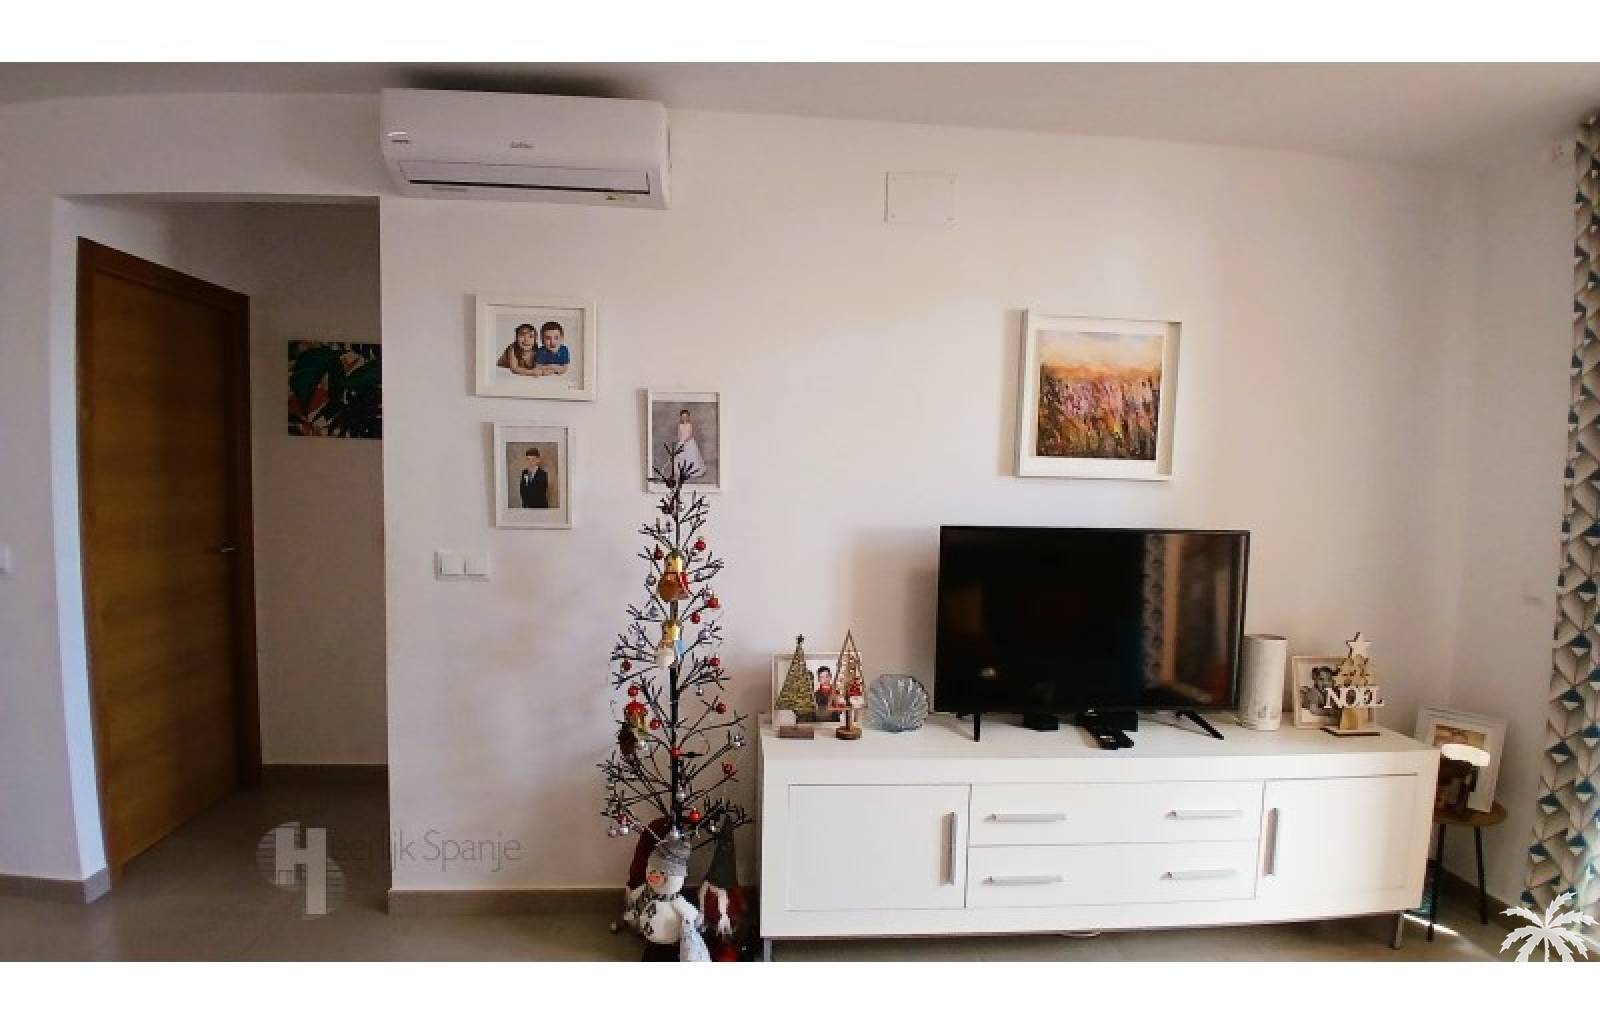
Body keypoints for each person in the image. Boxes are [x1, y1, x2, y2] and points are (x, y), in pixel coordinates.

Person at [674, 408, 706, 480]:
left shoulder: (689, 425)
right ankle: (682, 471)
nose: (684, 418)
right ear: (681, 417)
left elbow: (690, 435)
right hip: (682, 441)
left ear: (688, 417)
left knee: (691, 455)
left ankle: (691, 470)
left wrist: (685, 441)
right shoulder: (680, 425)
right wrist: (679, 441)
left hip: (689, 441)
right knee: (680, 456)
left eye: (686, 416)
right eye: (683, 417)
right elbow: (679, 434)